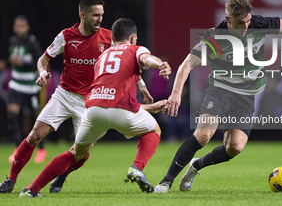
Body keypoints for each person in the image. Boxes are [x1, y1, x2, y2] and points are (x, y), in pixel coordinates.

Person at [154, 0, 282, 193]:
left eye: (248, 21)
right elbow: (186, 65)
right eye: (241, 23)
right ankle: (166, 182)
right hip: (221, 91)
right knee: (203, 135)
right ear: (228, 19)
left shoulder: (258, 23)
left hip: (246, 96)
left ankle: (196, 166)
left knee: (235, 147)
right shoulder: (214, 37)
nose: (246, 27)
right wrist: (176, 93)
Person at [0, 0, 152, 194]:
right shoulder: (66, 36)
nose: (100, 19)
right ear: (83, 15)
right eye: (95, 15)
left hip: (90, 101)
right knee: (34, 136)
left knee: (81, 154)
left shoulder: (109, 38)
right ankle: (10, 179)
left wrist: (141, 85)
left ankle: (62, 175)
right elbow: (43, 59)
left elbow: (128, 61)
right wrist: (42, 72)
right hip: (64, 94)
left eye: (102, 15)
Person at [18, 18, 171, 198]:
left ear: (112, 38)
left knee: (76, 153)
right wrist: (160, 64)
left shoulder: (102, 57)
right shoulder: (136, 49)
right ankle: (137, 167)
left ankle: (31, 189)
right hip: (120, 111)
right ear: (133, 38)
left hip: (92, 110)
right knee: (154, 130)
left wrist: (149, 107)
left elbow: (108, 97)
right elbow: (146, 59)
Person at [5, 15, 47, 164]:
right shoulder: (12, 41)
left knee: (38, 118)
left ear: (27, 27)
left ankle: (41, 149)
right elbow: (8, 59)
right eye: (17, 26)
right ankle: (17, 148)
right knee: (11, 115)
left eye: (23, 26)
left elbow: (40, 60)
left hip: (31, 87)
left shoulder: (32, 42)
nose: (20, 28)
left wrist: (24, 62)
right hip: (16, 85)